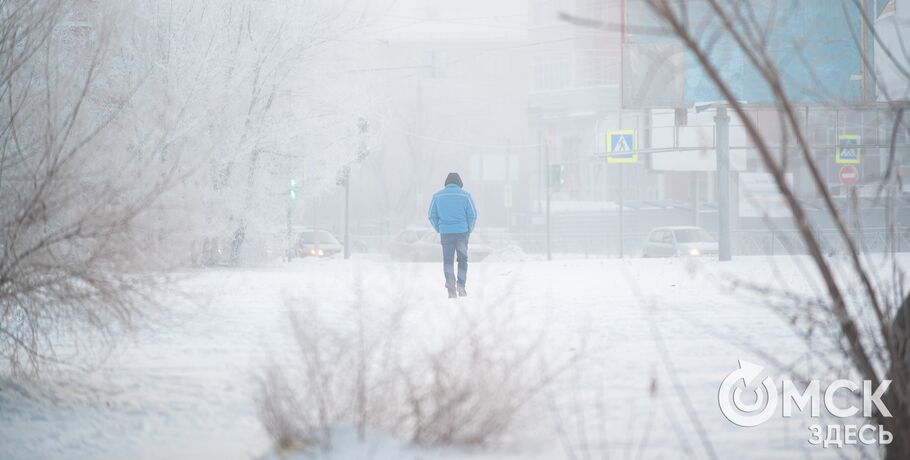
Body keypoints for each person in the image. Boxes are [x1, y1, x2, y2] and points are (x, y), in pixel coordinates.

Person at [428, 172, 477, 298]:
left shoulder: (437, 196)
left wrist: (439, 228)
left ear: (447, 183)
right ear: (459, 183)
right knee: (462, 260)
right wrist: (469, 229)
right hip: (462, 233)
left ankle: (451, 289)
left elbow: (431, 215)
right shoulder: (466, 196)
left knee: (448, 261)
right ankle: (461, 286)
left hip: (446, 233)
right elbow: (472, 215)